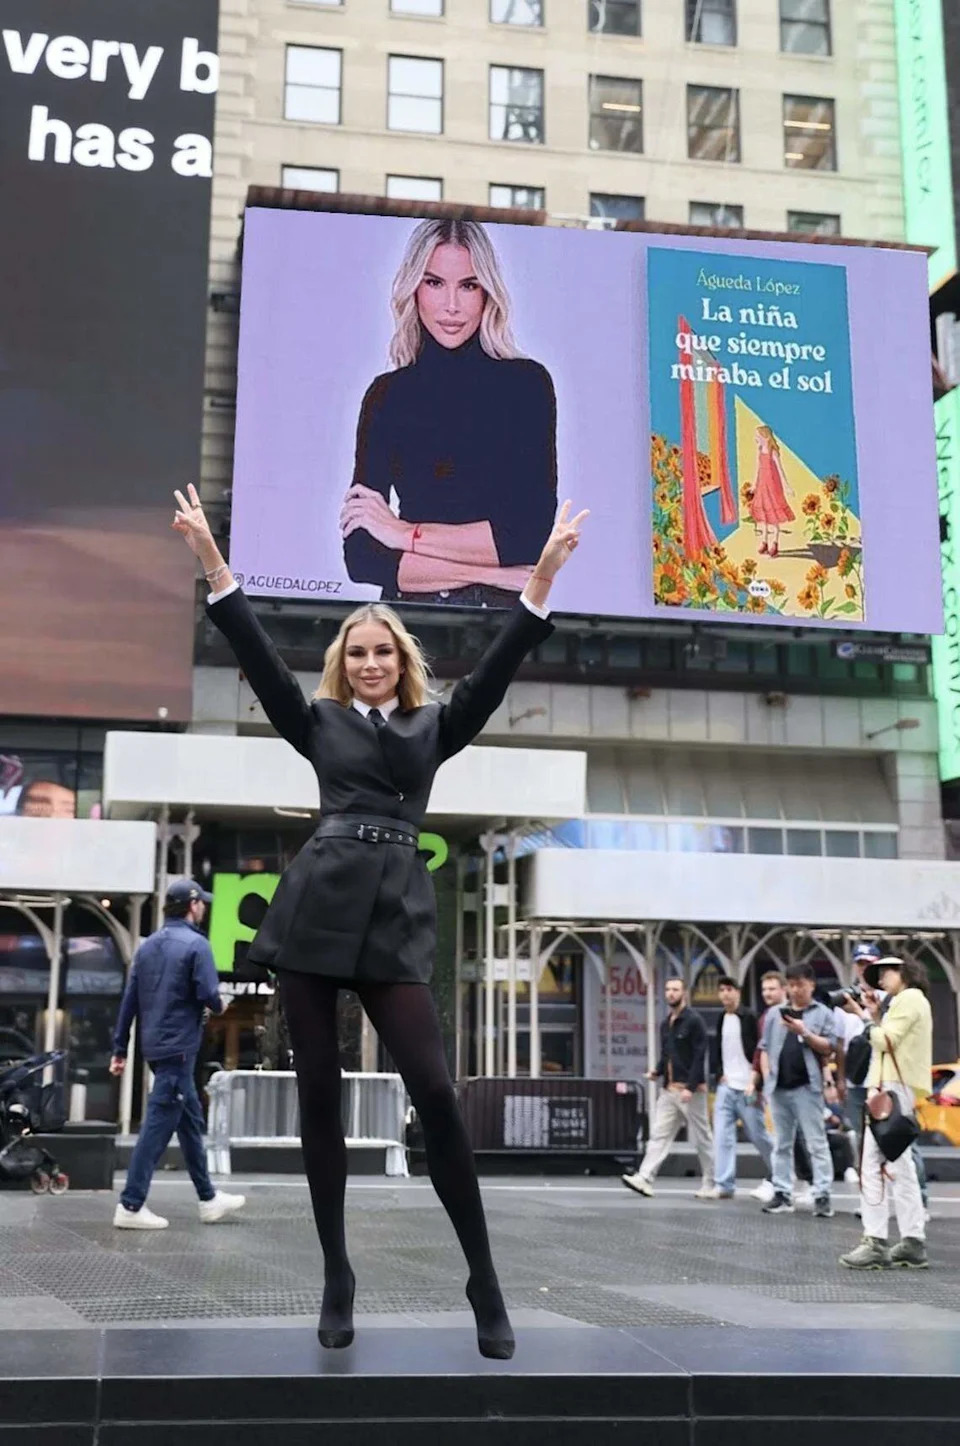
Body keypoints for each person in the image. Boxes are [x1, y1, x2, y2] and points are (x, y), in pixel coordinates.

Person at [173, 480, 588, 1359]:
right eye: (356, 651)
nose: (369, 662)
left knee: (435, 1093)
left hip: (395, 911)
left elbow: (498, 669)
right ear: (343, 662)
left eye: (382, 652)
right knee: (317, 1097)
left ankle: (483, 1278)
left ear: (401, 661)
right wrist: (213, 561)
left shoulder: (434, 727)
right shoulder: (315, 720)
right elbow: (250, 646)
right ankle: (336, 1274)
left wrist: (541, 580)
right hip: (318, 908)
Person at [341, 218, 557, 608]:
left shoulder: (526, 385)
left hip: (500, 623)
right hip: (408, 621)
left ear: (487, 293)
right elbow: (362, 556)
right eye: (435, 282)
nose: (452, 306)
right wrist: (492, 572)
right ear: (414, 288)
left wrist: (402, 534)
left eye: (468, 285)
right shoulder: (386, 395)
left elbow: (529, 536)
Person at [110, 879, 245, 1231]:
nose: (205, 910)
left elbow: (130, 1000)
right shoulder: (197, 945)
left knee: (190, 1123)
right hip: (180, 1049)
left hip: (155, 1048)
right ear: (193, 905)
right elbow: (208, 993)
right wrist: (220, 1003)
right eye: (203, 904)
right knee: (156, 1127)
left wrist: (120, 1048)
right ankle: (130, 1204)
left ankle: (208, 1198)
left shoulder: (148, 946)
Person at [839, 955, 933, 1270]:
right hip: (899, 1087)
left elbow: (885, 1041)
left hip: (890, 1087)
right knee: (901, 1165)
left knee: (871, 1164)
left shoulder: (907, 999)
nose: (879, 981)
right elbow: (894, 1039)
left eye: (884, 973)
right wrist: (876, 1014)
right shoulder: (912, 1001)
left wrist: (863, 1017)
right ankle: (913, 1240)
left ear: (903, 972)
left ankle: (875, 1240)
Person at [621, 977, 714, 1200]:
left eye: (675, 990)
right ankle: (645, 1177)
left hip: (690, 1090)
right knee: (659, 1134)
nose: (671, 993)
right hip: (669, 1089)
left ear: (685, 993)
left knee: (702, 1137)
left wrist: (691, 1087)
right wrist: (657, 1071)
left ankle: (711, 1182)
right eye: (668, 989)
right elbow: (668, 1054)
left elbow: (700, 1056)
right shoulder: (667, 1023)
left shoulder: (694, 1021)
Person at [759, 962, 836, 1217]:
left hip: (807, 1087)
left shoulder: (822, 1013)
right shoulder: (774, 1014)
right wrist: (766, 1077)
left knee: (816, 1142)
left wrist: (804, 1032)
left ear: (811, 985)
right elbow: (765, 1047)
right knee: (781, 1143)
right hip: (779, 1086)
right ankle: (782, 1192)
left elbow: (828, 1047)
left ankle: (822, 1193)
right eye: (791, 985)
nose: (795, 990)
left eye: (800, 984)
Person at [706, 975, 772, 1200]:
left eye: (729, 989)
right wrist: (719, 1074)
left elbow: (759, 1049)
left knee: (758, 1134)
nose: (725, 994)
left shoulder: (750, 1017)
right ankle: (724, 1184)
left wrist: (757, 1082)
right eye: (721, 990)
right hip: (727, 1086)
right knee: (722, 1136)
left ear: (738, 992)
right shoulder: (720, 1018)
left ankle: (782, 1173)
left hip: (748, 1087)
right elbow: (718, 1049)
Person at [748, 425, 795, 559]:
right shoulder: (759, 451)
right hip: (762, 486)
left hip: (773, 487)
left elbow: (780, 471)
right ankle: (764, 542)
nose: (756, 438)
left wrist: (787, 486)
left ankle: (774, 543)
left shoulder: (773, 452)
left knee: (773, 516)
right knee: (763, 517)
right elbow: (758, 469)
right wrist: (754, 484)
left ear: (766, 437)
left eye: (758, 436)